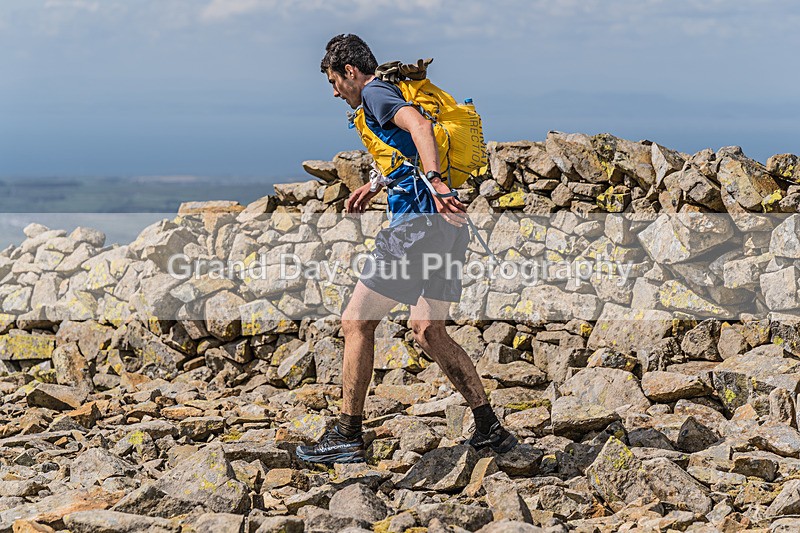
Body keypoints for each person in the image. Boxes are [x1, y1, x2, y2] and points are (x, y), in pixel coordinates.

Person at [296, 34, 517, 465]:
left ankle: (346, 434)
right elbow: (405, 152)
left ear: (350, 72)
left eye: (333, 81)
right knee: (428, 330)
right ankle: (489, 428)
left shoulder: (376, 92)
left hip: (417, 227)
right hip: (448, 228)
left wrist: (434, 182)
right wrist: (375, 184)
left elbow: (419, 127)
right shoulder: (389, 91)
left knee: (356, 322)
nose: (334, 91)